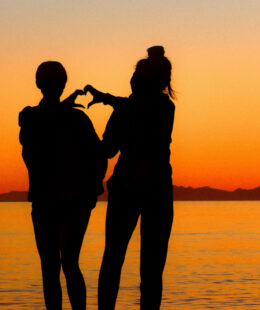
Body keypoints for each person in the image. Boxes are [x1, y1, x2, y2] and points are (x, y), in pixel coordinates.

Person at [86, 45, 175, 310]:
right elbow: (110, 147)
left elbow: (107, 149)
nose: (132, 80)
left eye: (135, 76)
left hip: (128, 189)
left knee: (114, 260)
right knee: (151, 268)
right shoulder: (156, 107)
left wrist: (106, 102)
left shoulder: (147, 107)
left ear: (141, 80)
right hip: (156, 191)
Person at [19, 61, 107, 310]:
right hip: (75, 202)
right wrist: (92, 190)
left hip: (49, 202)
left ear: (38, 84)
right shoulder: (76, 119)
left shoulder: (31, 118)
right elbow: (99, 157)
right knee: (69, 263)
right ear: (64, 84)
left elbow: (33, 126)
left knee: (51, 267)